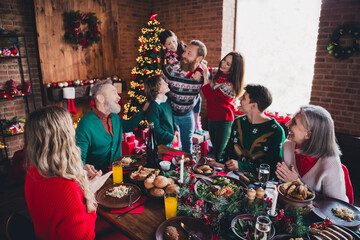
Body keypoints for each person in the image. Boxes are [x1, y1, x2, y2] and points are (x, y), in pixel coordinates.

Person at [24, 106, 112, 239]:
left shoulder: (32, 172)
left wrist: (79, 173)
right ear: (64, 138)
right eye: (71, 126)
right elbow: (86, 236)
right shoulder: (67, 189)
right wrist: (89, 195)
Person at [275, 105, 348, 202]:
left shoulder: (331, 162)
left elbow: (334, 205)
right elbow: (284, 187)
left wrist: (297, 183)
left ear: (308, 134)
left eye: (294, 122)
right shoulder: (288, 145)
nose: (287, 124)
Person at [76, 79, 149, 173]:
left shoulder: (114, 117)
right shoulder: (85, 125)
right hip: (98, 177)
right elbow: (79, 158)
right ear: (100, 98)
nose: (118, 97)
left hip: (118, 172)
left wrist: (143, 110)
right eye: (114, 93)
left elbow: (128, 126)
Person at [224, 84, 285, 177]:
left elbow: (273, 168)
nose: (239, 99)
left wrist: (241, 165)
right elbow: (229, 151)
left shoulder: (276, 131)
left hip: (259, 183)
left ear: (254, 105)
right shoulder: (238, 122)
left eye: (244, 97)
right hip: (232, 177)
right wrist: (220, 164)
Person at [162, 39, 208, 153]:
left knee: (188, 144)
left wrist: (205, 72)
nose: (183, 55)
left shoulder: (202, 75)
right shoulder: (171, 69)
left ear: (198, 59)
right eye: (184, 51)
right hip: (170, 115)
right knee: (166, 145)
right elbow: (158, 88)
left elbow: (209, 93)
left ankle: (187, 169)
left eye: (189, 53)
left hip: (188, 115)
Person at [202, 51, 245, 162]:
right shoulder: (219, 72)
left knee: (219, 153)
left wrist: (205, 75)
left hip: (223, 120)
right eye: (224, 60)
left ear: (234, 69)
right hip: (212, 117)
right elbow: (208, 68)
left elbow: (210, 96)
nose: (223, 64)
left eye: (228, 64)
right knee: (215, 148)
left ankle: (221, 176)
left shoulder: (231, 85)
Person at [159, 29, 204, 132]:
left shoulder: (183, 48)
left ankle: (197, 120)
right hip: (178, 82)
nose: (173, 45)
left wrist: (199, 71)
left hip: (188, 108)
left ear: (176, 38)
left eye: (174, 41)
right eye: (169, 44)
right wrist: (191, 75)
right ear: (164, 46)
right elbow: (177, 67)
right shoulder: (169, 55)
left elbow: (199, 61)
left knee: (198, 98)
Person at [145, 75, 180, 146]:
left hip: (168, 140)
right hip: (159, 144)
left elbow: (171, 117)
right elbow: (155, 129)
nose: (167, 84)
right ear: (158, 89)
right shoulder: (153, 106)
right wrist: (170, 138)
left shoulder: (166, 100)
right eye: (164, 83)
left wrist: (175, 129)